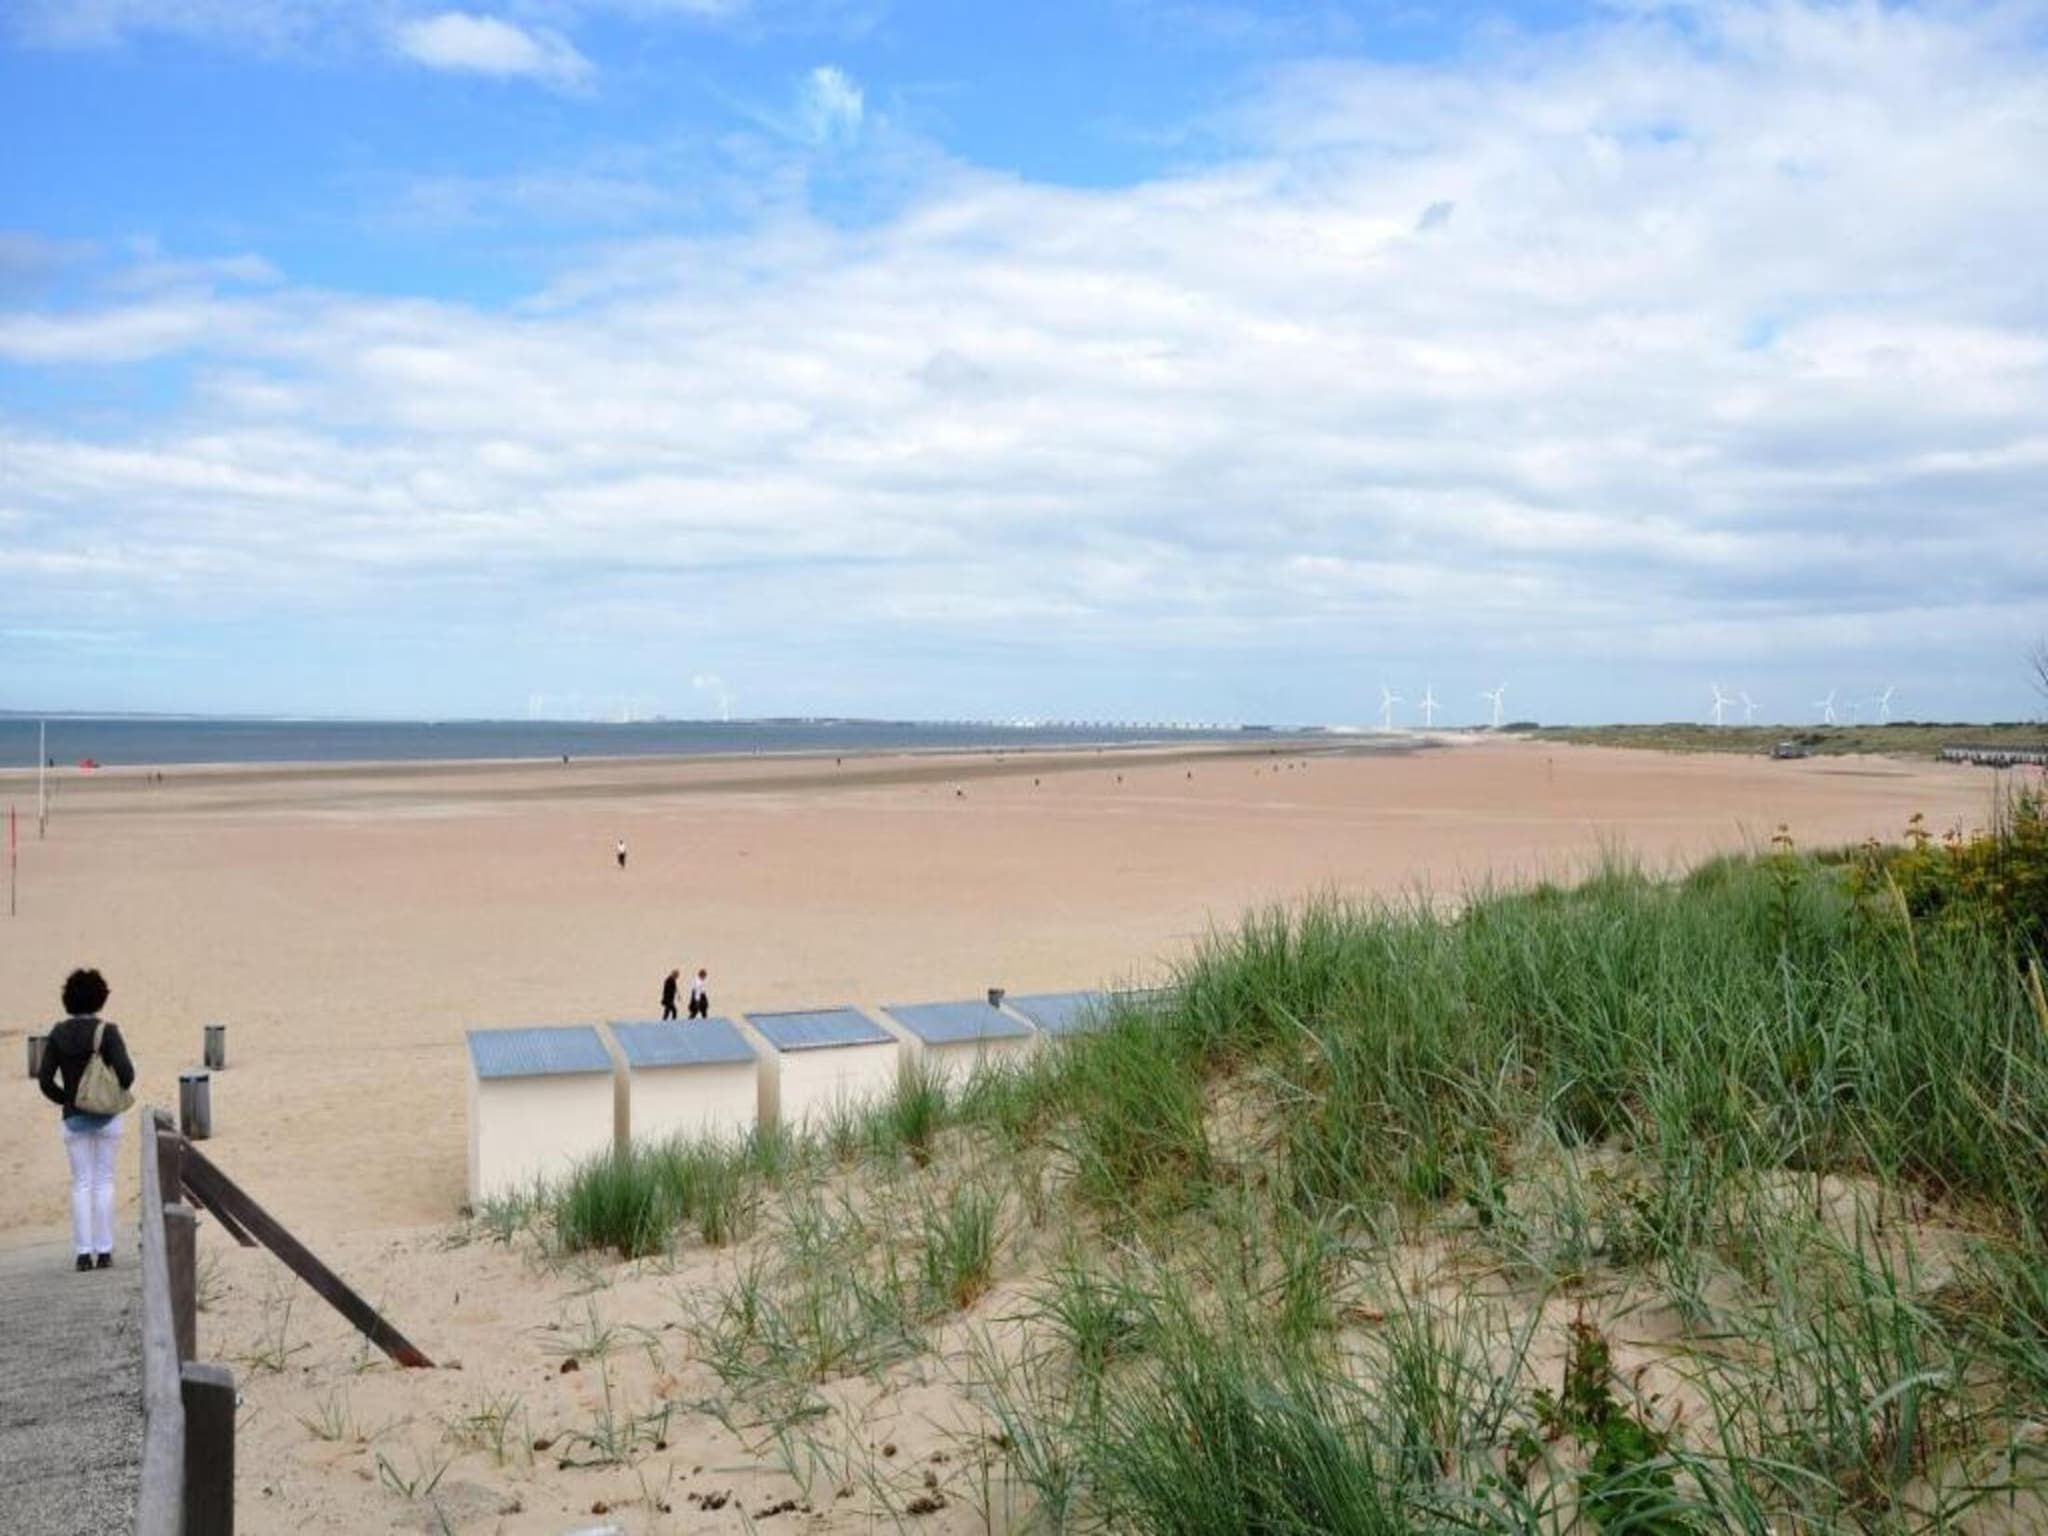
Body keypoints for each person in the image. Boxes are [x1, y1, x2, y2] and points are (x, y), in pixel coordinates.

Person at [37, 968, 136, 1273]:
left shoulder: (57, 1033)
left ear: (68, 999)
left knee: (81, 1184)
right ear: (100, 997)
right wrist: (107, 1095)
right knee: (104, 1182)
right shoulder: (107, 1031)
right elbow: (127, 1074)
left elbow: (44, 1079)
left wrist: (67, 1100)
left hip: (73, 1120)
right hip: (106, 1119)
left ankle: (83, 1254)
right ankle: (104, 1251)